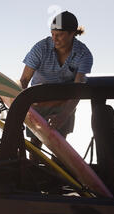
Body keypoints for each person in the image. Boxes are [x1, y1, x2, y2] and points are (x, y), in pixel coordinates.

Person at [20, 11, 93, 160]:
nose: (54, 38)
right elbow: (24, 80)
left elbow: (78, 88)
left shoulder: (83, 54)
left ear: (72, 33)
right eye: (52, 34)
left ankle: (56, 180)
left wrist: (63, 115)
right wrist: (22, 109)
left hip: (64, 103)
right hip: (37, 103)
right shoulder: (40, 48)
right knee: (34, 149)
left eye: (59, 34)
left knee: (59, 148)